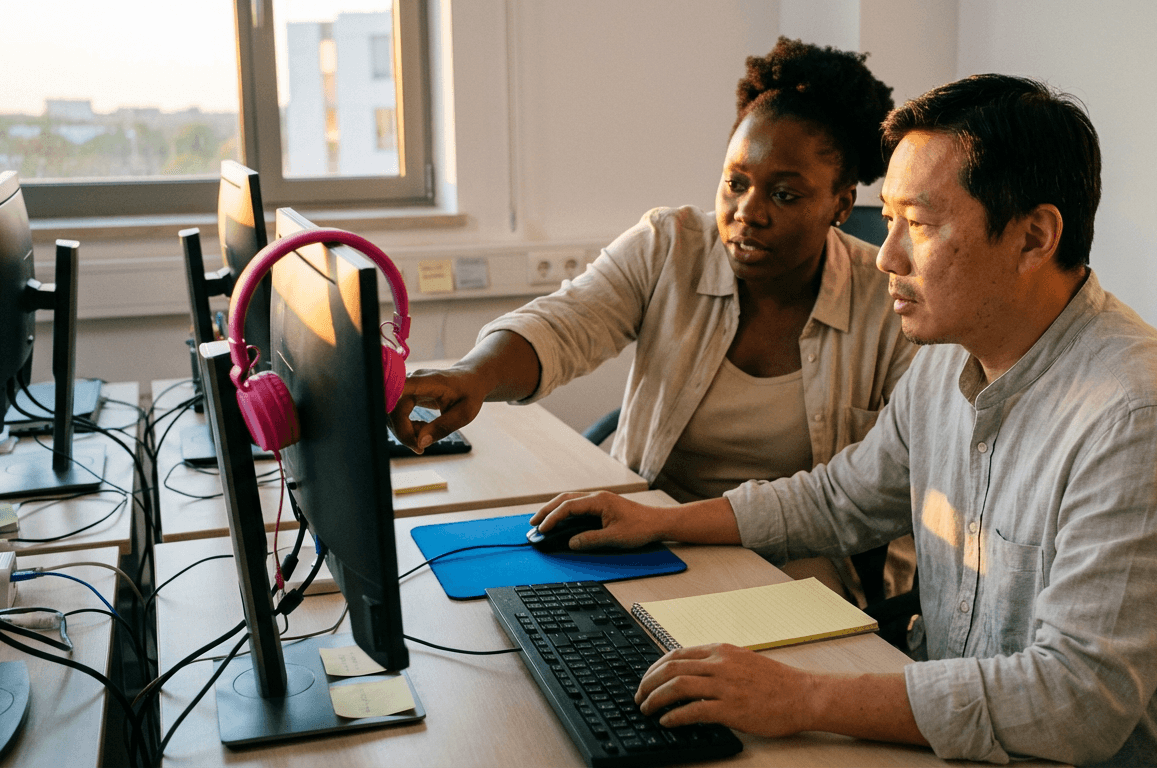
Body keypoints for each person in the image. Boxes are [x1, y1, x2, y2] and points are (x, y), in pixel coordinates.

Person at [527, 74, 1157, 767]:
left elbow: (1077, 701)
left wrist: (803, 696)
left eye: (919, 224)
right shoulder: (949, 358)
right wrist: (660, 521)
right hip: (960, 738)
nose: (886, 257)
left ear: (1035, 237)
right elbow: (841, 499)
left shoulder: (1140, 417)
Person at [390, 38, 917, 606]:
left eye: (784, 194)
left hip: (796, 553)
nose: (748, 211)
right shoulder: (670, 245)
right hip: (644, 525)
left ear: (841, 204)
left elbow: (877, 483)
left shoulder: (888, 298)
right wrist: (476, 376)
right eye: (735, 183)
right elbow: (568, 321)